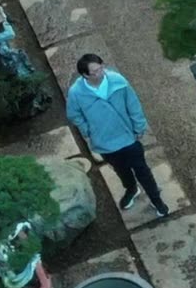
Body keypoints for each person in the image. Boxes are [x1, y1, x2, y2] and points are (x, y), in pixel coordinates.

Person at [66, 54, 169, 216]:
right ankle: (131, 189)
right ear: (85, 75)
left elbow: (133, 104)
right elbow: (74, 115)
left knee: (143, 171)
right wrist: (88, 130)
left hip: (128, 138)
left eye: (101, 67)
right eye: (95, 71)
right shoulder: (76, 93)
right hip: (105, 143)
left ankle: (157, 200)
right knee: (121, 170)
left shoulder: (117, 81)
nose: (101, 72)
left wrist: (139, 126)